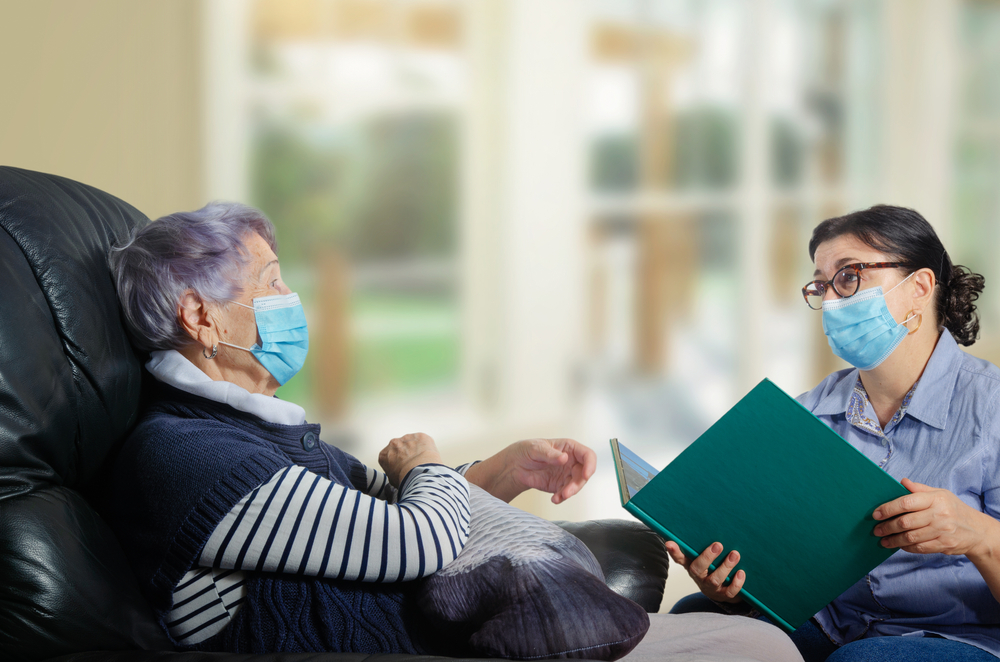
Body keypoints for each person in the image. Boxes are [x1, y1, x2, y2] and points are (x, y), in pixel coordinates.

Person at [105, 202, 803, 661]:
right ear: (202, 318)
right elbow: (417, 539)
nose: (292, 303)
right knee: (764, 650)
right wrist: (429, 462)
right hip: (433, 651)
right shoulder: (194, 459)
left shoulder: (255, 437)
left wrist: (506, 468)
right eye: (273, 283)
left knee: (760, 640)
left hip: (460, 640)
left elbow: (381, 513)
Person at [668, 205, 1000, 661]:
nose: (833, 300)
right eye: (823, 285)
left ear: (919, 288)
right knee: (696, 616)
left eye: (849, 276)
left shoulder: (992, 408)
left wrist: (980, 535)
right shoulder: (806, 413)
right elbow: (778, 555)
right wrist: (733, 588)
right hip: (833, 622)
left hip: (959, 634)